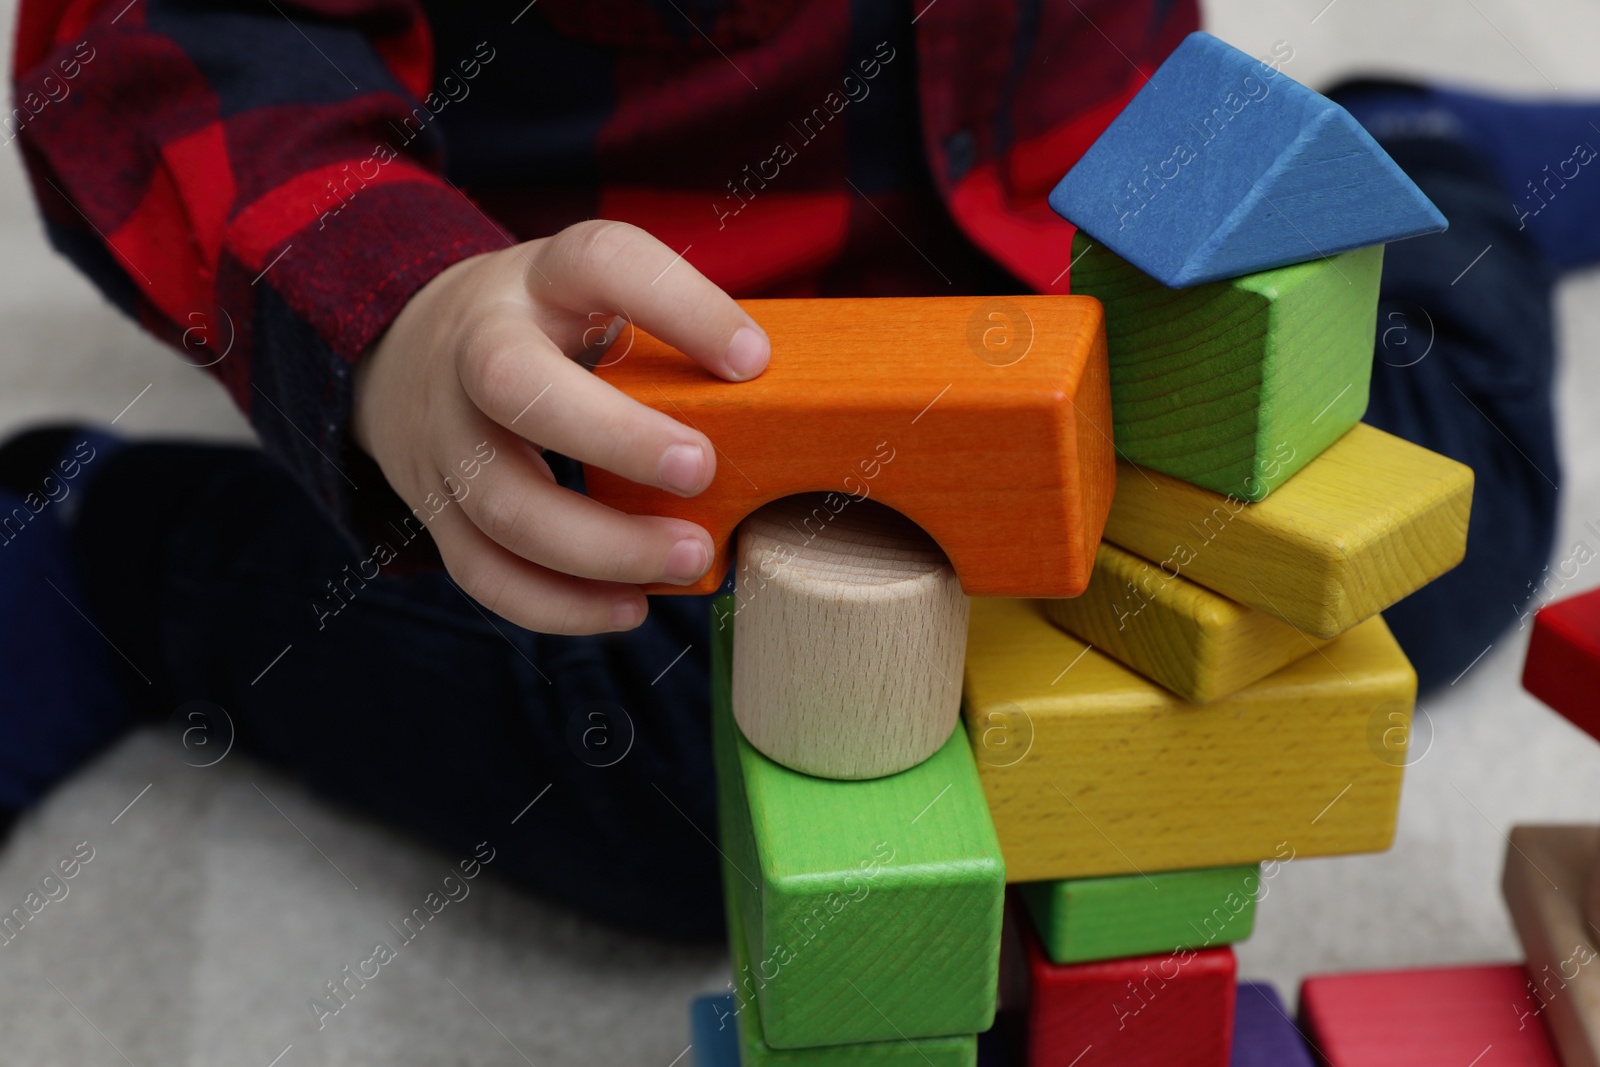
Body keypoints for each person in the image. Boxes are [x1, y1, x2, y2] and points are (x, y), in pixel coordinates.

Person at [0, 0, 1582, 938]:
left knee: (1424, 532)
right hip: (674, 362)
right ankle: (119, 550)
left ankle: (1409, 153)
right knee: (740, 792)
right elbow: (146, 48)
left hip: (1130, 235)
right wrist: (398, 312)